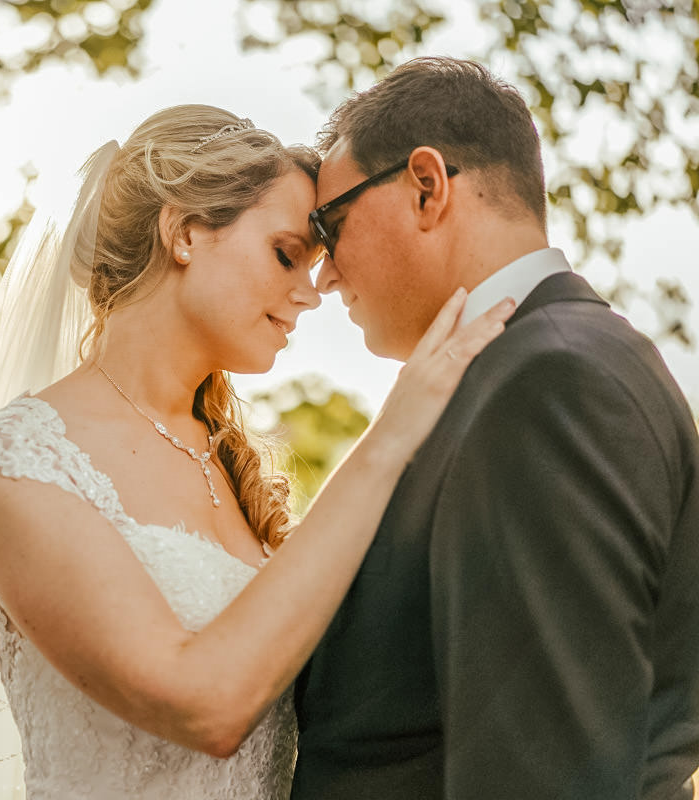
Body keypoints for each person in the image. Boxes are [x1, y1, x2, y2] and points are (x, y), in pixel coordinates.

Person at [0, 104, 513, 799]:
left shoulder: (231, 465)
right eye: (286, 254)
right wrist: (390, 438)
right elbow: (205, 705)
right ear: (184, 233)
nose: (309, 294)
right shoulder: (15, 460)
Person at [293, 56, 699, 800]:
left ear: (426, 186)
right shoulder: (534, 368)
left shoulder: (553, 384)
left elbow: (546, 771)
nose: (322, 275)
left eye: (331, 224)